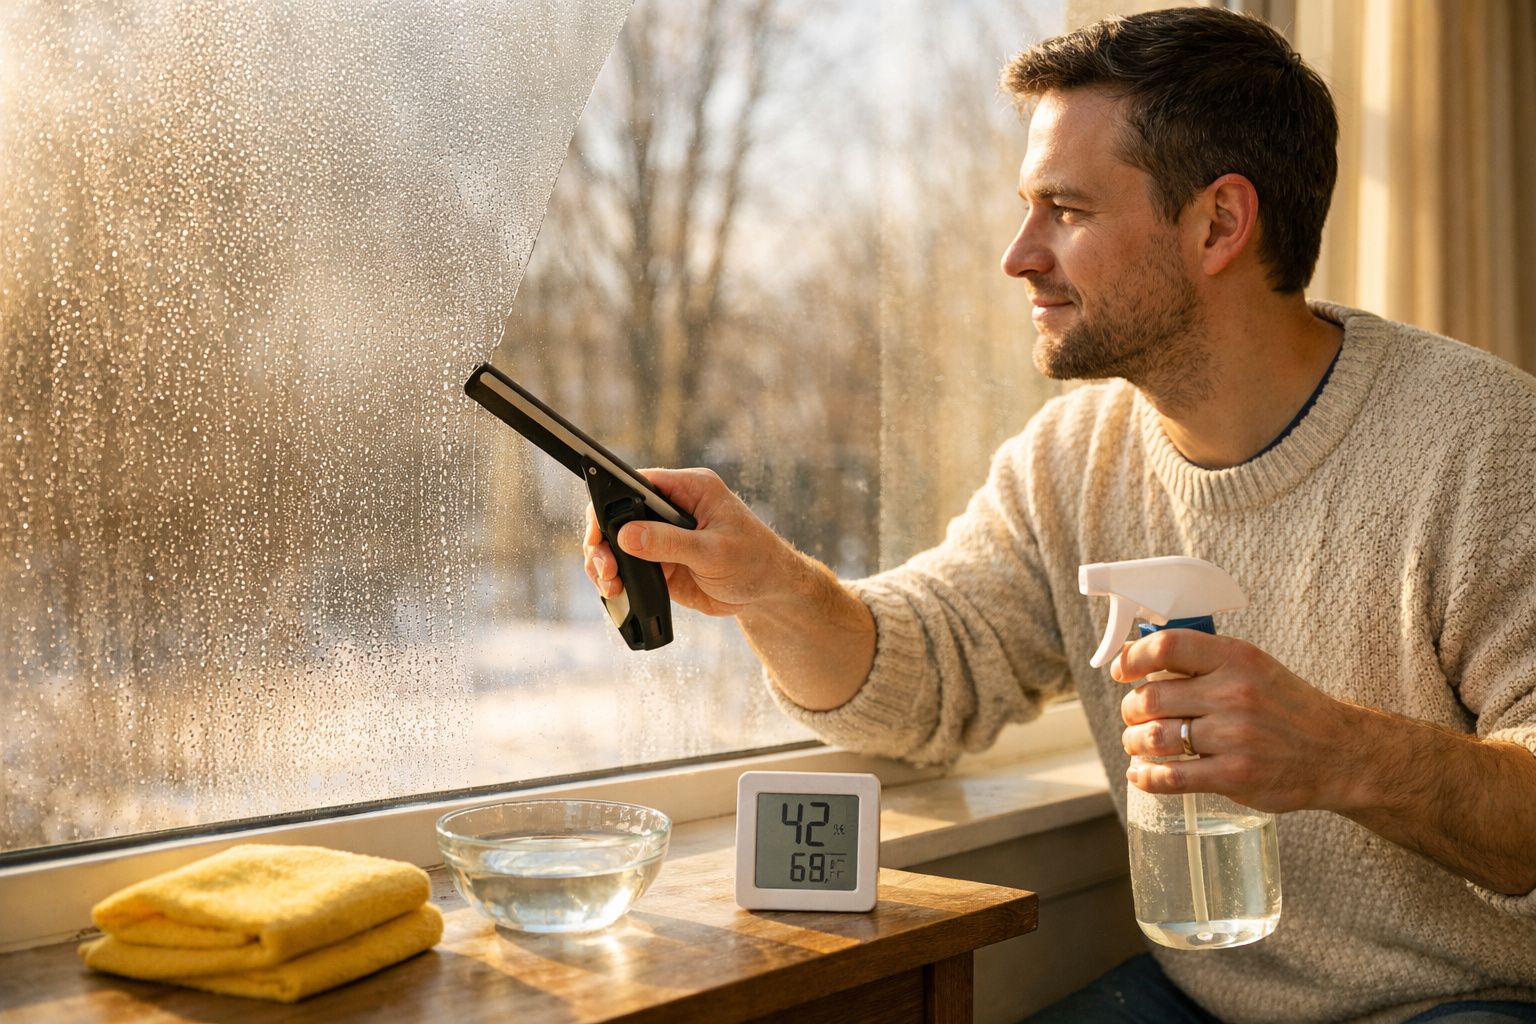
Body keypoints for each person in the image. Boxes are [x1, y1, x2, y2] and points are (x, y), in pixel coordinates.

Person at [582, 8, 1536, 1022]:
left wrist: (1339, 752)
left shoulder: (1489, 444)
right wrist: (768, 583)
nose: (1018, 254)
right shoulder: (1071, 457)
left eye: (1064, 210)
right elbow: (925, 674)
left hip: (1465, 1001)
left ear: (1219, 224)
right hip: (1198, 999)